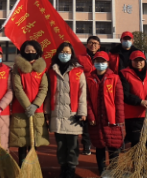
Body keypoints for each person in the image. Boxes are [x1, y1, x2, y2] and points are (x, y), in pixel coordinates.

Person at [46, 42, 87, 178]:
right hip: (56, 113)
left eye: (68, 52)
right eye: (63, 52)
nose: (65, 54)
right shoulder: (51, 70)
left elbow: (82, 93)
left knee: (73, 145)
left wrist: (82, 113)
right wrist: (47, 113)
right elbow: (48, 93)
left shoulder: (78, 71)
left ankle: (71, 168)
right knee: (61, 144)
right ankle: (63, 166)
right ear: (58, 53)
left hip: (72, 114)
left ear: (72, 54)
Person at [10, 40, 49, 167]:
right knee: (22, 144)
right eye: (27, 51)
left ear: (37, 52)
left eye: (33, 51)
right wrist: (27, 106)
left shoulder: (41, 70)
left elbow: (44, 89)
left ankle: (32, 168)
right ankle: (22, 169)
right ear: (22, 52)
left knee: (34, 143)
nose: (30, 53)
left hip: (37, 111)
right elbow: (17, 88)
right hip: (20, 110)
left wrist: (35, 105)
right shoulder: (17, 69)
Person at [86, 51, 124, 175]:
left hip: (111, 118)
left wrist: (119, 119)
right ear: (93, 63)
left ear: (107, 63)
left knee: (114, 145)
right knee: (99, 145)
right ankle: (102, 170)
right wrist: (90, 115)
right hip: (96, 118)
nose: (100, 64)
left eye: (103, 61)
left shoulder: (115, 78)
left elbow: (119, 100)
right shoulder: (89, 78)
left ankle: (114, 169)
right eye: (97, 61)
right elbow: (86, 99)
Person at [119, 50, 147, 154]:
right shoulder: (124, 74)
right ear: (131, 61)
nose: (138, 62)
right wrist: (140, 101)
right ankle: (136, 167)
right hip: (133, 115)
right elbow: (124, 94)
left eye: (141, 60)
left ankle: (146, 167)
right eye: (135, 60)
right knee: (136, 142)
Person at [78, 36, 102, 155]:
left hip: (99, 91)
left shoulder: (102, 58)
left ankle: (99, 144)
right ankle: (86, 145)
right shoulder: (80, 58)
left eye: (95, 43)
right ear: (87, 45)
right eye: (91, 43)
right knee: (86, 120)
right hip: (85, 92)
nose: (93, 45)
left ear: (99, 46)